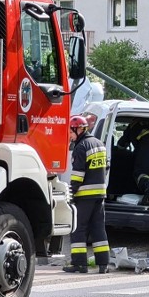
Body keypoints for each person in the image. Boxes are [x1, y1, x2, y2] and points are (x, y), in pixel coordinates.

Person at [63, 115, 111, 274]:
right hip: (100, 195)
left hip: (85, 195)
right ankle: (103, 264)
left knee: (78, 229)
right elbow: (107, 166)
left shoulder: (81, 146)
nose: (70, 136)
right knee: (98, 229)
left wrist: (71, 193)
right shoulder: (100, 144)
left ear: (79, 129)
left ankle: (79, 264)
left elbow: (77, 175)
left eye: (70, 132)